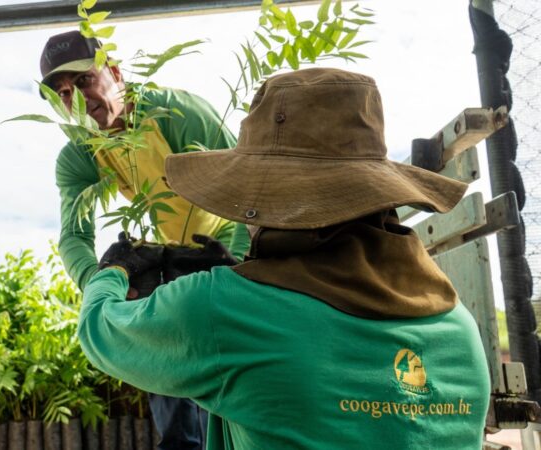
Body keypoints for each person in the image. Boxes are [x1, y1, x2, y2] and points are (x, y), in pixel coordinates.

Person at [78, 68, 491, 449]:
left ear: (272, 202)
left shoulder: (225, 309)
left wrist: (115, 269)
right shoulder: (459, 330)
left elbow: (101, 330)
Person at [40, 30, 249, 449]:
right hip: (170, 250)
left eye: (84, 81)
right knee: (164, 355)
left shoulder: (178, 115)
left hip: (227, 243)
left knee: (229, 382)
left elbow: (248, 190)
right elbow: (75, 235)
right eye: (62, 93)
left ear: (116, 73)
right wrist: (103, 283)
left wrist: (242, 268)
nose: (76, 100)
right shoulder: (80, 154)